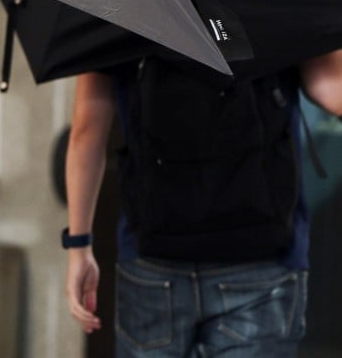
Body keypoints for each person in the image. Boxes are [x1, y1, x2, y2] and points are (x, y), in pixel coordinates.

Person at [64, 50, 342, 357]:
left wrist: (79, 246)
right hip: (261, 257)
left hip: (152, 257)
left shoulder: (120, 9)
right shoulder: (281, 3)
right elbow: (332, 89)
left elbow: (86, 132)